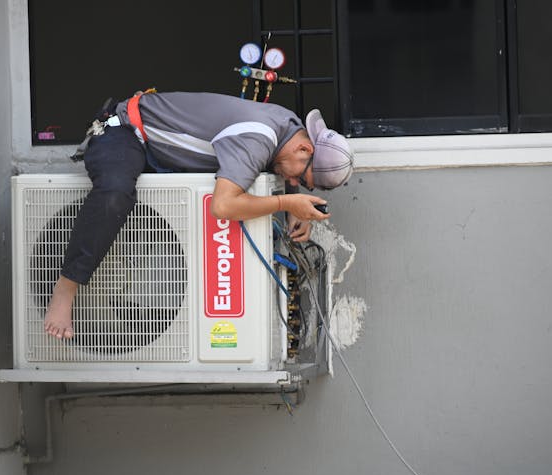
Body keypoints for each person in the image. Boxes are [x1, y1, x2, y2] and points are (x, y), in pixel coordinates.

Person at [44, 91, 354, 340]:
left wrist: (293, 195)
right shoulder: (258, 138)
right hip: (125, 132)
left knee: (144, 226)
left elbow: (287, 162)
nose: (296, 182)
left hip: (160, 154)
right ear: (304, 148)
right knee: (114, 194)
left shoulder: (289, 125)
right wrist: (286, 203)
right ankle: (66, 288)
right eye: (302, 177)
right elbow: (222, 206)